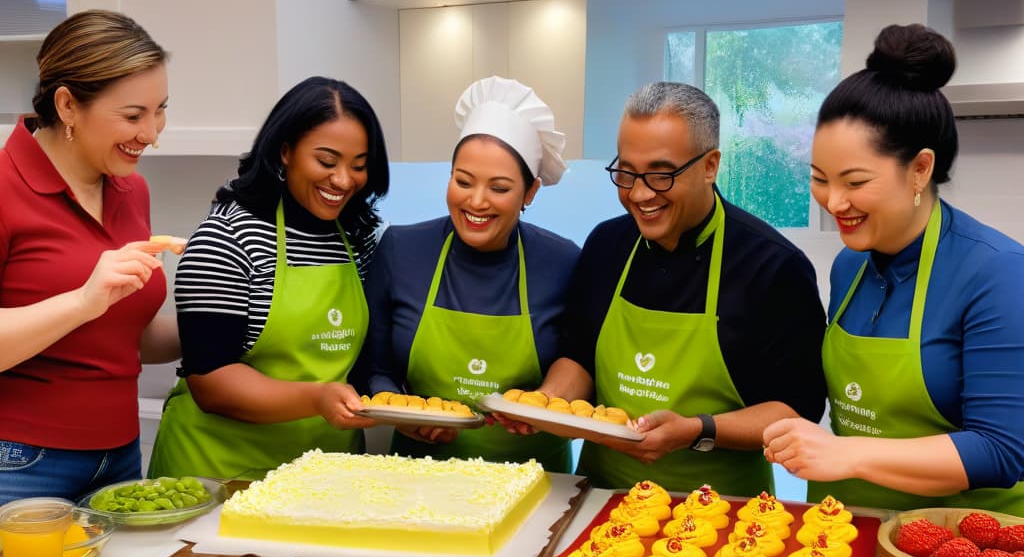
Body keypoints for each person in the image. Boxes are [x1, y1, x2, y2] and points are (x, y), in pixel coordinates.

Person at [507, 82, 826, 494]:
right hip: (599, 498)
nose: (639, 194)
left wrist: (697, 430)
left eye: (661, 174)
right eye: (625, 172)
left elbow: (795, 410)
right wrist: (546, 406)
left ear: (710, 165)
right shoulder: (607, 246)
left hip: (724, 512)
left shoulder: (772, 267)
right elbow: (579, 356)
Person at [763, 24, 1024, 514]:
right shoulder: (849, 266)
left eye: (855, 181)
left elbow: (1001, 451)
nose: (834, 202)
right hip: (844, 533)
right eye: (819, 179)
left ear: (920, 169)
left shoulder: (999, 274)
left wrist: (847, 453)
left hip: (958, 550)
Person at [148, 77, 388, 481]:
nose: (344, 180)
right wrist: (317, 398)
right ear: (285, 151)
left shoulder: (356, 239)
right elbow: (211, 381)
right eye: (327, 162)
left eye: (359, 165)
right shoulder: (228, 237)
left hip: (323, 473)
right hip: (217, 473)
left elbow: (363, 359)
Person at [0, 9, 179, 505]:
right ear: (68, 105)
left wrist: (220, 318)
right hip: (20, 462)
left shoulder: (132, 189)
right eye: (133, 115)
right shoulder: (3, 186)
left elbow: (123, 336)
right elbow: (89, 310)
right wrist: (83, 300)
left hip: (119, 457)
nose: (152, 133)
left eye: (160, 109)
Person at [363, 76, 580, 471]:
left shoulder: (563, 262)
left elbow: (580, 362)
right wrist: (402, 413)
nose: (476, 201)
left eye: (499, 188)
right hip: (416, 475)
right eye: (463, 181)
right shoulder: (401, 250)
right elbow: (375, 368)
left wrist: (542, 404)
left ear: (530, 193)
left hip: (536, 482)